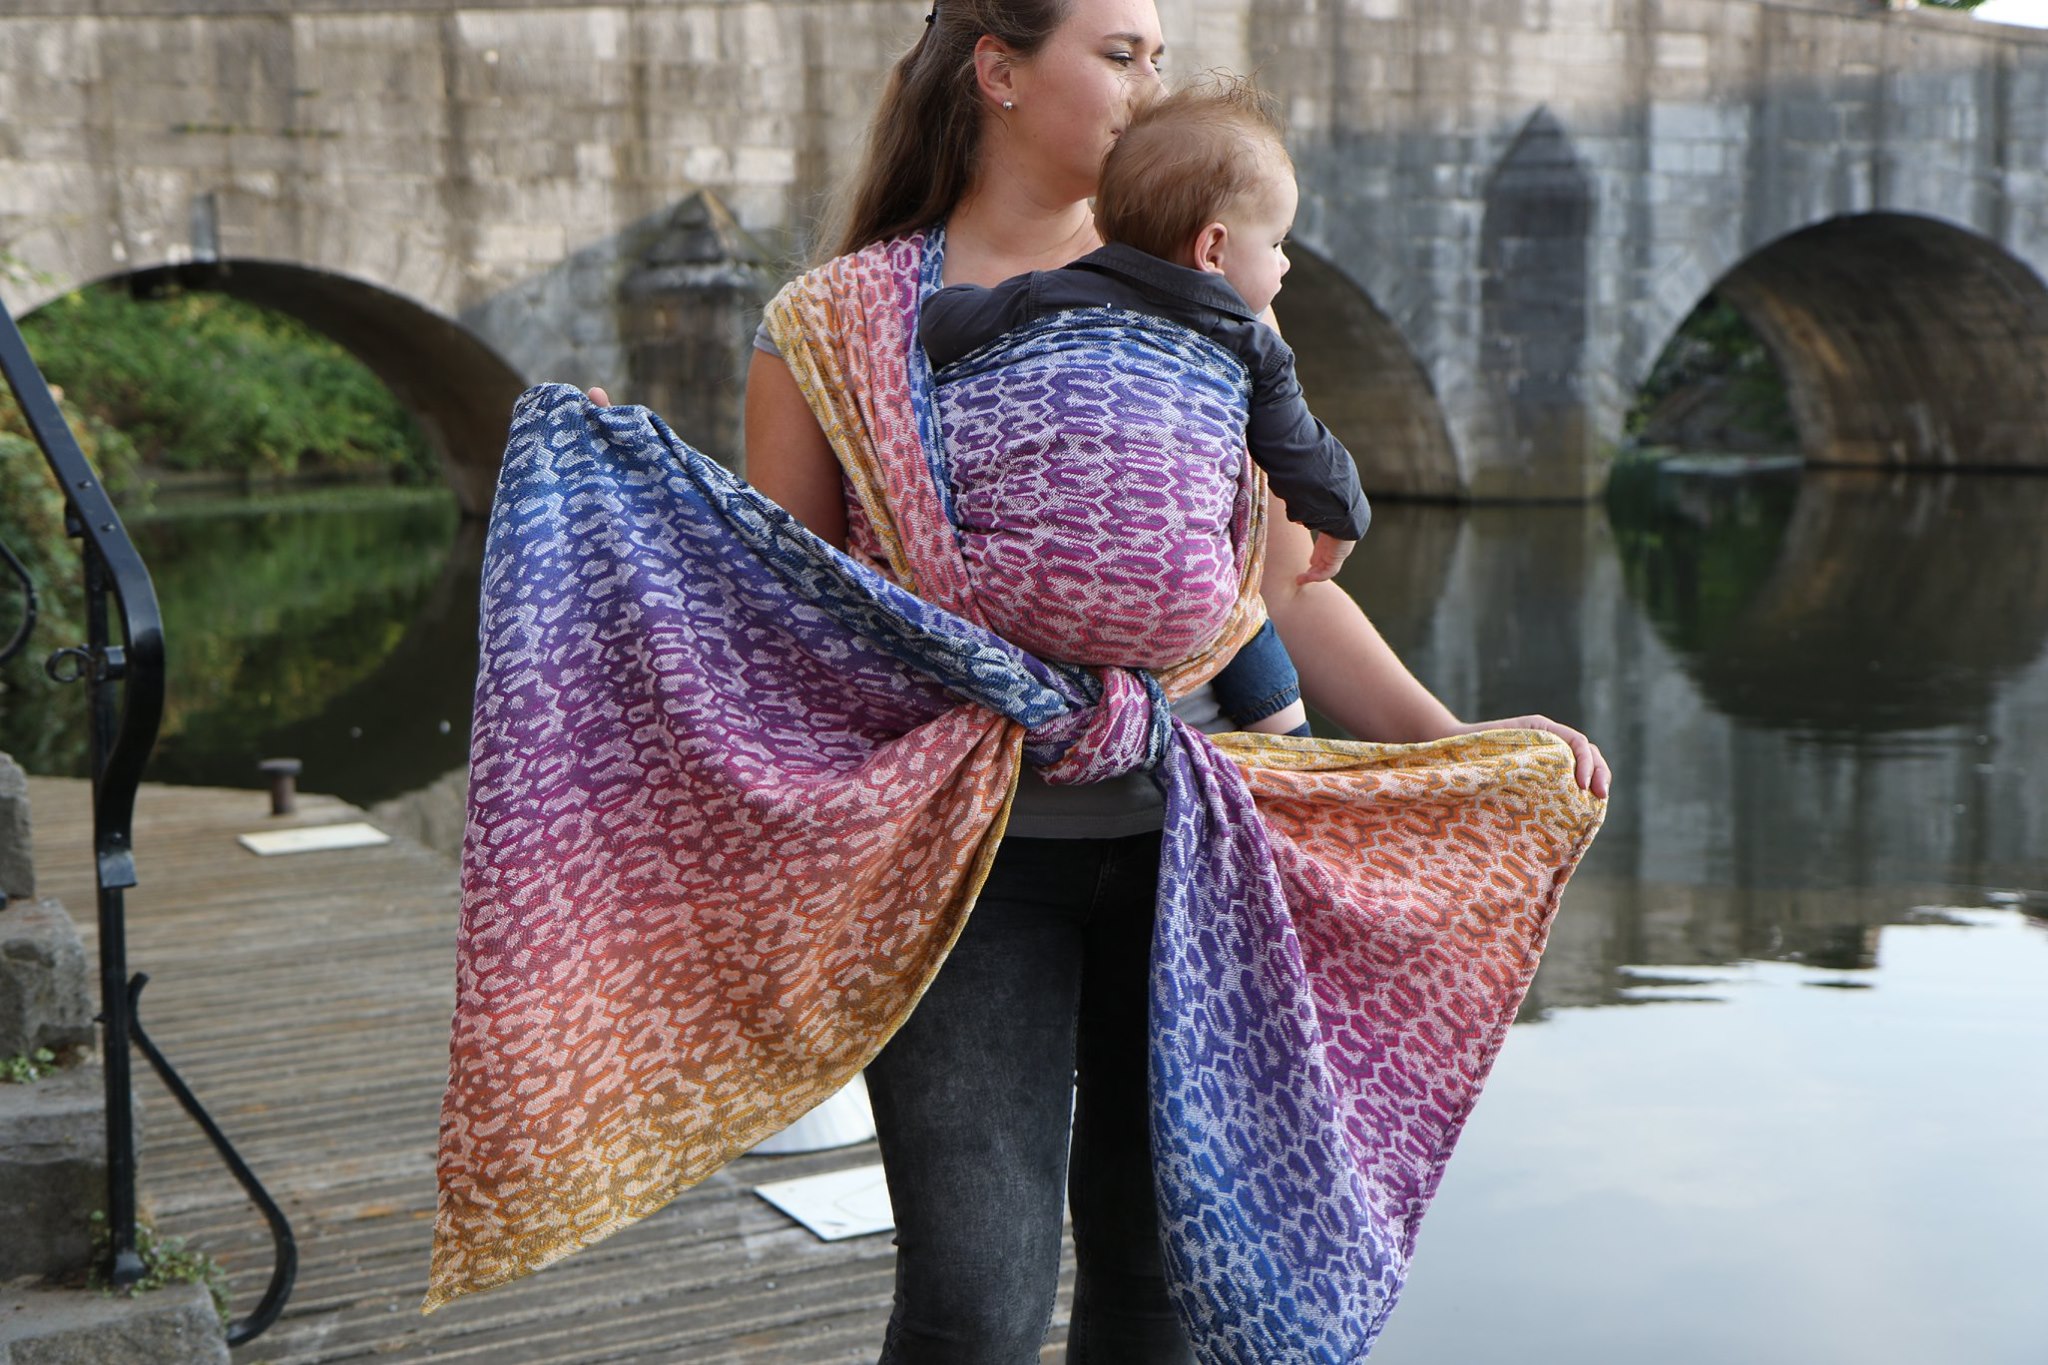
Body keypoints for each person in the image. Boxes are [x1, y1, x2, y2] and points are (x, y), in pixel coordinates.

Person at [608, 2, 1607, 1360]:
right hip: (961, 871)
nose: (1150, 86)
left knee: (1155, 1290)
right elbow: (794, 633)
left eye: (1157, 57)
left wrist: (1458, 744)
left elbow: (1280, 586)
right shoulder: (834, 327)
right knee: (974, 1302)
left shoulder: (1211, 299)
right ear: (999, 71)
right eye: (1119, 55)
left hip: (1195, 848)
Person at [918, 75, 1361, 739]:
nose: (1285, 264)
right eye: (1277, 243)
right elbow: (1301, 450)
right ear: (1213, 249)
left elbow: (942, 324)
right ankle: (1291, 751)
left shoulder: (1044, 295)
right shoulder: (1249, 344)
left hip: (1020, 602)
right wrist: (1342, 516)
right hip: (1177, 614)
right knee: (1242, 620)